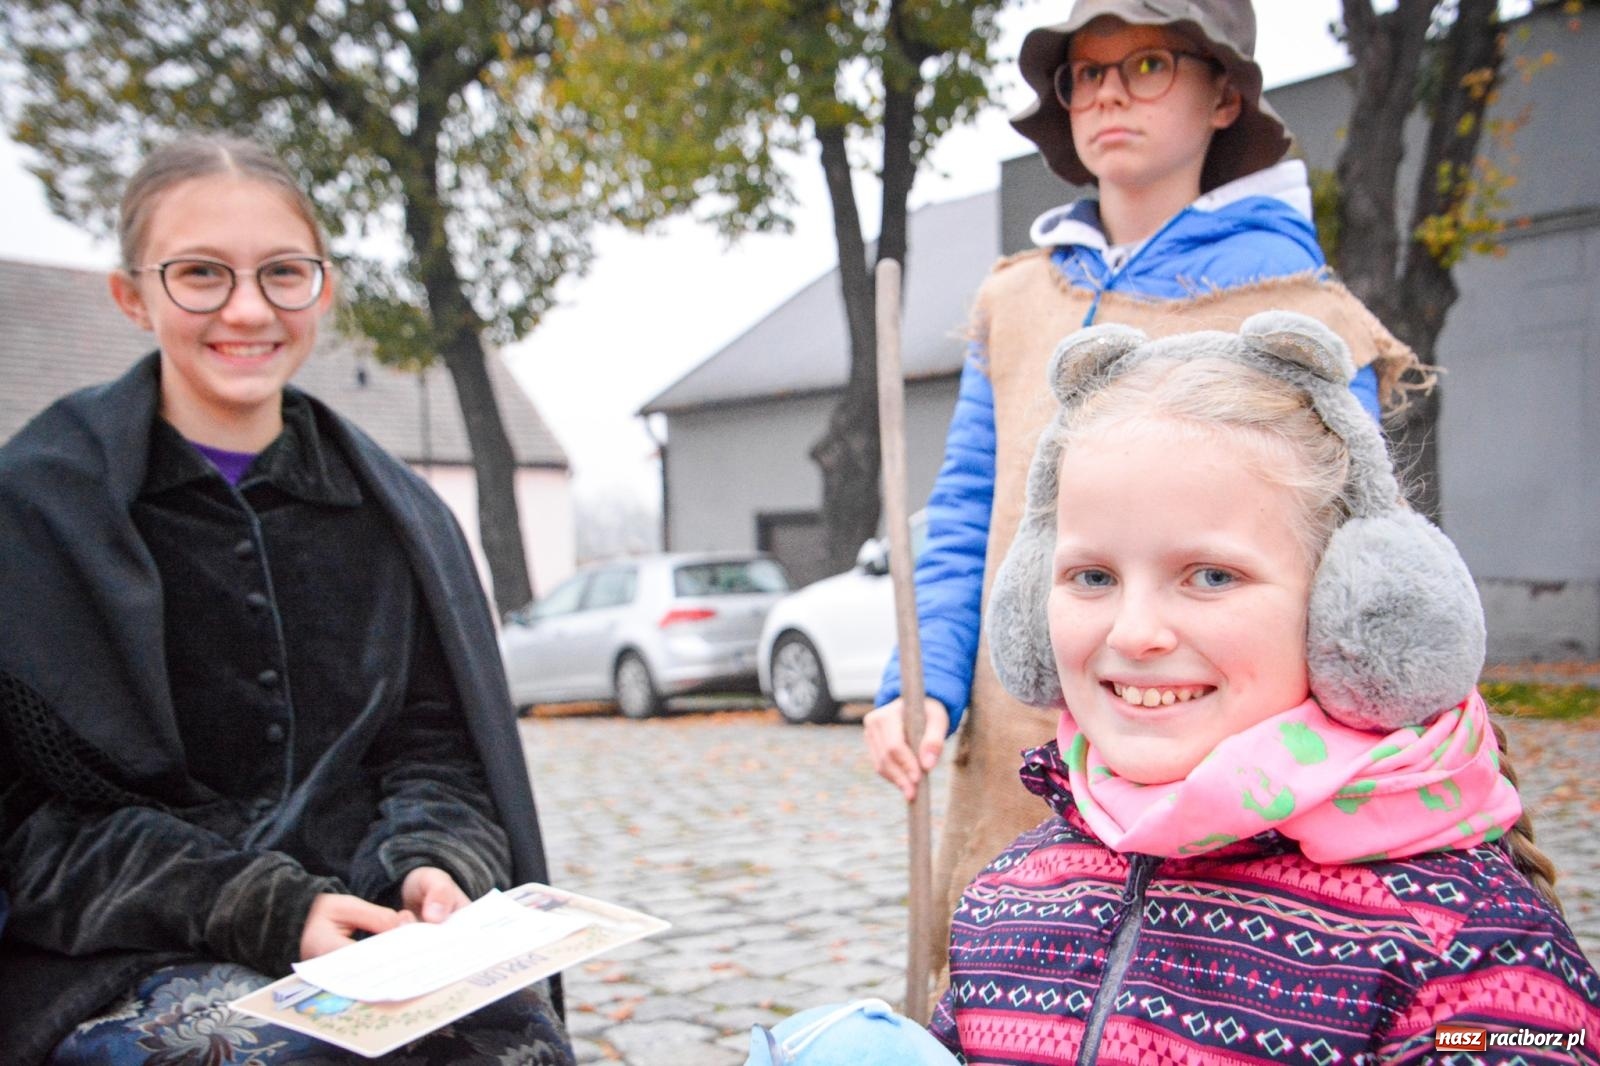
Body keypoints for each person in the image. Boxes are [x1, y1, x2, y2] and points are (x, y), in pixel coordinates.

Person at [863, 0, 1420, 976]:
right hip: (1020, 759)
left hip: (1234, 791)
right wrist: (921, 682)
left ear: (1222, 95)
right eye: (1085, 71)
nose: (1108, 91)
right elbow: (963, 517)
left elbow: (1354, 563)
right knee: (1012, 1001)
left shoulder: (1300, 306)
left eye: (1149, 62)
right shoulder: (1013, 301)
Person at [0, 135, 573, 1065]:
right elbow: (30, 829)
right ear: (132, 295)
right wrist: (264, 908)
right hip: (128, 952)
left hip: (375, 929)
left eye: (282, 273)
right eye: (200, 274)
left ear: (324, 286)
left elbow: (435, 749)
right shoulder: (36, 512)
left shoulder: (395, 514)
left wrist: (434, 868)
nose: (247, 308)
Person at [927, 312, 1600, 1063]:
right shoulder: (1007, 900)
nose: (1132, 632)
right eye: (1092, 577)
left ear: (1348, 607)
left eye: (1211, 576)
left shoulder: (1467, 953)